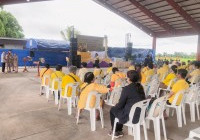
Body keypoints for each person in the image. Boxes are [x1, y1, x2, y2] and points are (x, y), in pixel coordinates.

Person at [108, 70, 146, 138]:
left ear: (129, 79)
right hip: (140, 114)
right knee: (120, 109)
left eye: (126, 76)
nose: (126, 78)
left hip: (131, 116)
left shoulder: (126, 89)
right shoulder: (140, 87)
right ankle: (119, 130)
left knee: (113, 110)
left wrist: (115, 106)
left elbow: (120, 105)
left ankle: (116, 131)